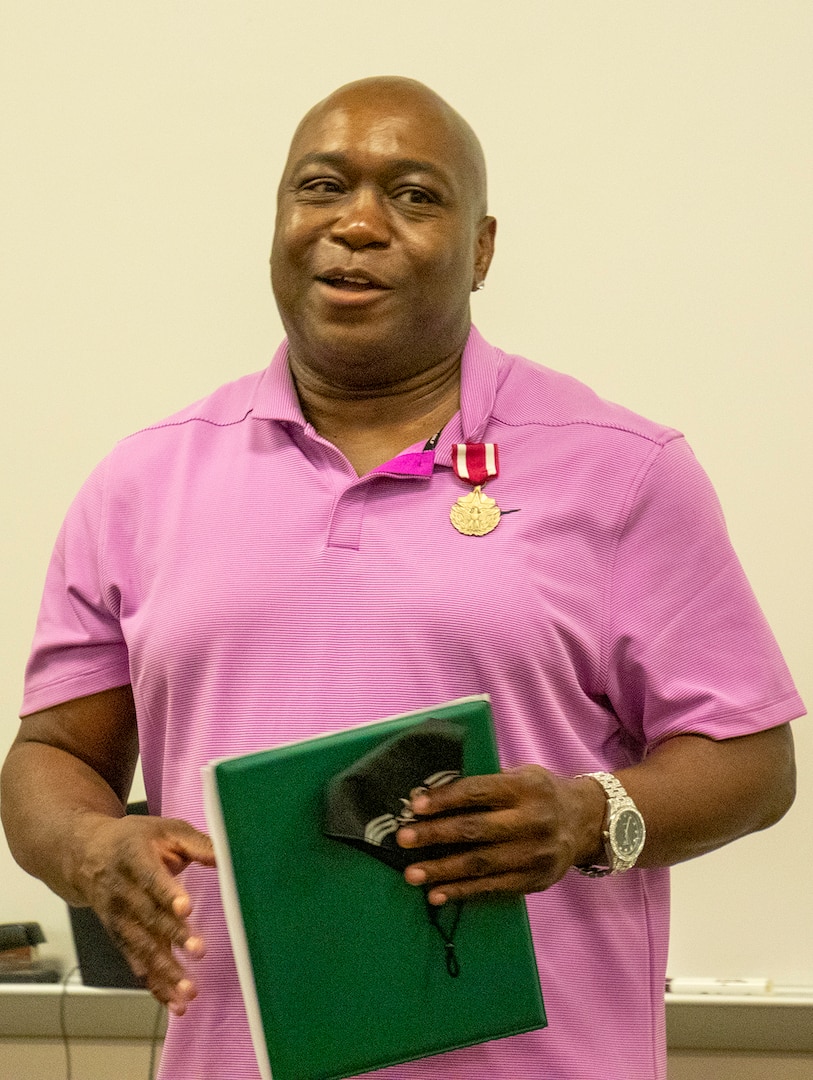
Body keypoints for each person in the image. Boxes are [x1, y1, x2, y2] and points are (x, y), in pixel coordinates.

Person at [1, 75, 804, 1080]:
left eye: (415, 196)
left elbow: (755, 764)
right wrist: (87, 848)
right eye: (321, 187)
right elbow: (52, 755)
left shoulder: (624, 469)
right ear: (279, 223)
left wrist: (589, 816)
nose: (358, 224)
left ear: (482, 250)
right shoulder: (142, 482)